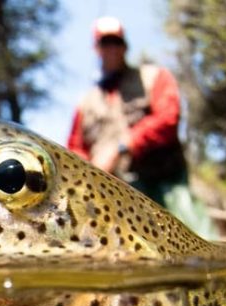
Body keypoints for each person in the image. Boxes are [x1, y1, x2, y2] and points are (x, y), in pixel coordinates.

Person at [67, 16, 216, 238]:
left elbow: (168, 119)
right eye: (105, 43)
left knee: (200, 246)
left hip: (167, 186)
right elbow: (75, 149)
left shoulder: (154, 77)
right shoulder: (85, 104)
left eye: (116, 42)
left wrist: (123, 145)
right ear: (96, 48)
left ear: (125, 46)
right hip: (115, 200)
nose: (112, 48)